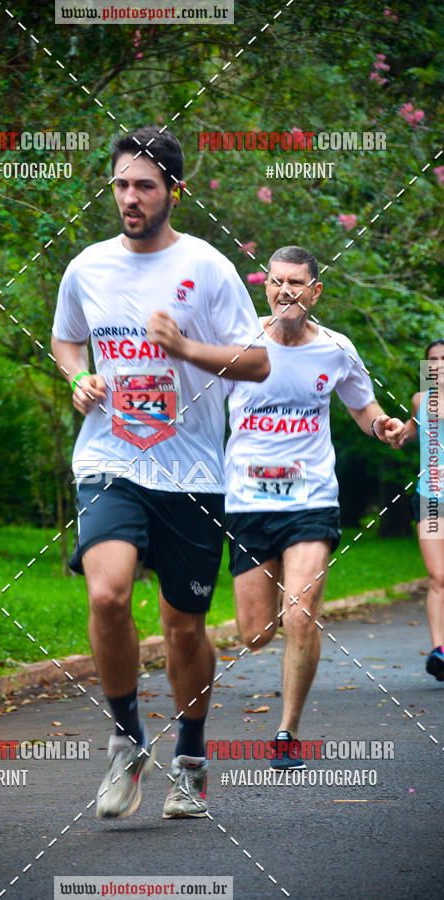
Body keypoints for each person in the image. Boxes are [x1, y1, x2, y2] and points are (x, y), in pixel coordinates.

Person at [50, 126, 269, 818]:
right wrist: (79, 376)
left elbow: (258, 362)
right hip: (110, 458)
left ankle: (193, 756)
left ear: (175, 189)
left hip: (193, 473)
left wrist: (188, 347)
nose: (131, 197)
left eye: (145, 185)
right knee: (108, 595)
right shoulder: (87, 267)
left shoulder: (208, 268)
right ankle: (126, 742)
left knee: (182, 625)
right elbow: (65, 337)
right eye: (121, 184)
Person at [224, 245, 406, 768]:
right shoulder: (241, 342)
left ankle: (286, 732)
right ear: (266, 287)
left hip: (311, 498)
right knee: (256, 634)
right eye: (277, 281)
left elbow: (363, 406)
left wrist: (382, 426)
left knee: (301, 616)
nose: (285, 291)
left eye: (296, 283)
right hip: (248, 501)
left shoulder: (335, 348)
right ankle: (276, 610)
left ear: (315, 291)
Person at [403, 339, 444, 681]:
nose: (439, 364)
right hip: (431, 498)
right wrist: (393, 430)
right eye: (433, 360)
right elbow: (411, 432)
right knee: (439, 576)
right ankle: (439, 651)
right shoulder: (420, 400)